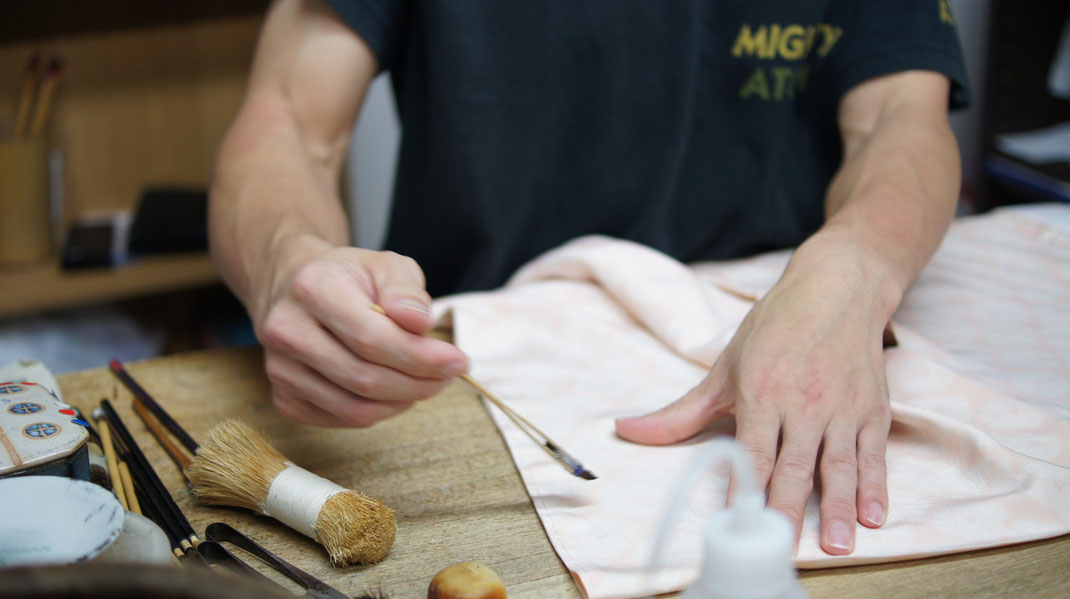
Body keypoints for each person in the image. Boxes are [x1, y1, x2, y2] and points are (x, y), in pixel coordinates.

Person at [209, 0, 969, 557]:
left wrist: (853, 268)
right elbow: (287, 121)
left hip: (790, 337)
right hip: (451, 380)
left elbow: (901, 117)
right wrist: (287, 260)